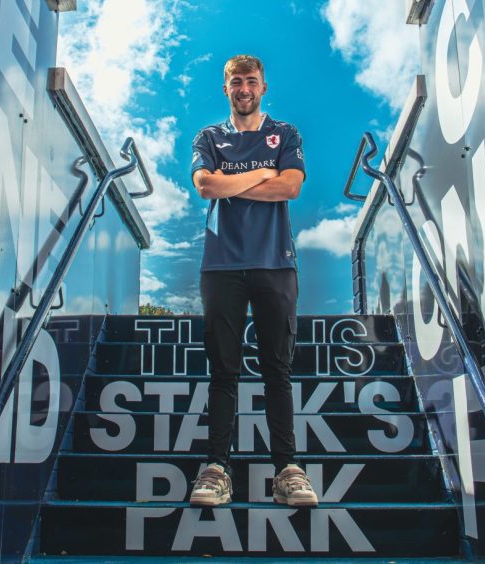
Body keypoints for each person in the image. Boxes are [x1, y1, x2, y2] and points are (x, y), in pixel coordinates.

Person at [188, 54, 318, 507]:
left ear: (263, 87)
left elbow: (290, 187)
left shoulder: (287, 134)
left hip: (274, 264)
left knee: (276, 370)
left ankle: (287, 471)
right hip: (221, 265)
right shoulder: (209, 136)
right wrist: (263, 171)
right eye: (236, 82)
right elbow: (205, 186)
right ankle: (216, 469)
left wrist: (235, 179)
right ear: (226, 89)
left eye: (252, 81)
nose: (244, 88)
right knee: (224, 371)